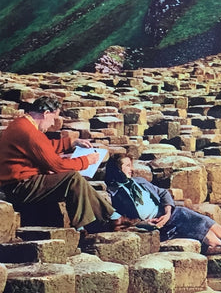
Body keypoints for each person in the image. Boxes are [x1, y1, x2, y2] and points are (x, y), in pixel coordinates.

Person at [0, 95, 131, 231]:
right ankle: (94, 223)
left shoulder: (21, 124)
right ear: (45, 114)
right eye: (53, 119)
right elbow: (57, 165)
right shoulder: (30, 133)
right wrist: (86, 160)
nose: (52, 124)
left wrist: (70, 143)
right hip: (20, 187)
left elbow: (43, 147)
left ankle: (112, 217)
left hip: (18, 183)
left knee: (74, 181)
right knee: (72, 178)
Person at [104, 154, 221, 256]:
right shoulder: (113, 193)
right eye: (127, 166)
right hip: (153, 225)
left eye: (131, 166)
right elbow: (117, 221)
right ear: (117, 169)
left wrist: (168, 211)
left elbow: (162, 193)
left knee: (201, 220)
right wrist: (141, 224)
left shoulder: (139, 181)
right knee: (214, 242)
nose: (131, 169)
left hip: (170, 215)